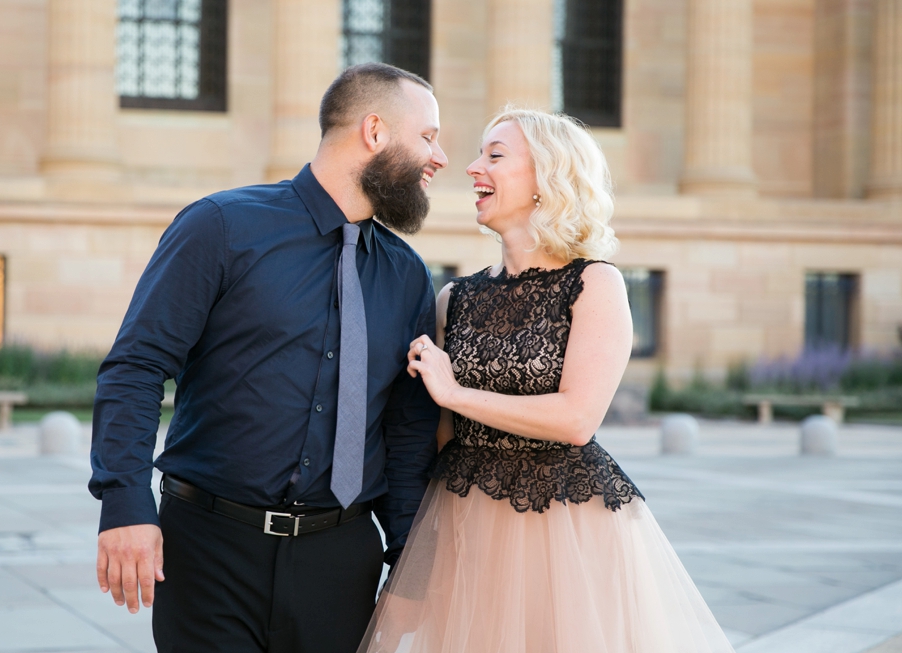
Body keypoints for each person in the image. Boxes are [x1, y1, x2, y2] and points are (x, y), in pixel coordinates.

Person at [88, 62, 448, 653]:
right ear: (375, 131)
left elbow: (405, 431)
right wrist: (124, 504)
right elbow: (136, 365)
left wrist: (407, 559)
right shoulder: (221, 226)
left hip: (340, 562)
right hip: (209, 551)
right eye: (428, 137)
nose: (438, 158)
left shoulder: (406, 273)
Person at [358, 108, 735, 653]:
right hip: (463, 513)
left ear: (546, 178)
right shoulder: (454, 299)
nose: (470, 168)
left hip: (562, 526)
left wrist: (455, 392)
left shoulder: (595, 283)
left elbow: (576, 419)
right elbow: (439, 435)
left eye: (494, 155)